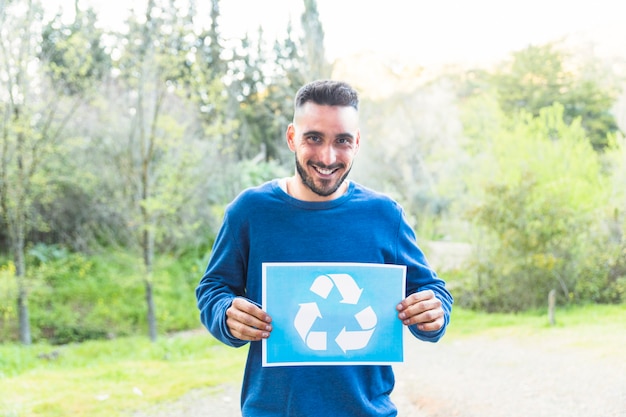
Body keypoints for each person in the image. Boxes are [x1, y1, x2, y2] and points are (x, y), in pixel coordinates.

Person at [196, 79, 453, 417]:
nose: (327, 156)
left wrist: (434, 312)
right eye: (313, 138)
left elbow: (432, 290)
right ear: (292, 138)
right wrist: (226, 313)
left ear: (357, 142)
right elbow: (213, 289)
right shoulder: (250, 212)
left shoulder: (384, 216)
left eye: (342, 141)